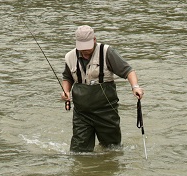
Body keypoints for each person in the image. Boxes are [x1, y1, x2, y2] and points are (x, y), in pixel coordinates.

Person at [59, 24, 142, 152]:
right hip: (82, 114)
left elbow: (128, 71)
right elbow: (67, 78)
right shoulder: (70, 57)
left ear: (94, 40)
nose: (85, 51)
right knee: (78, 152)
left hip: (106, 112)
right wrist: (66, 91)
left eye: (88, 47)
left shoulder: (107, 52)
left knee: (112, 150)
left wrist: (135, 87)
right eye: (82, 48)